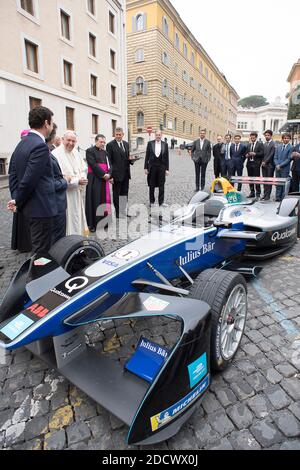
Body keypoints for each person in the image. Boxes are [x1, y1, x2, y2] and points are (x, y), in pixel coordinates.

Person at [8, 106, 57, 254]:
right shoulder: (40, 146)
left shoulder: (22, 143)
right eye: (52, 122)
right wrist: (18, 200)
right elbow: (29, 180)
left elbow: (13, 175)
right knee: (41, 252)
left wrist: (16, 198)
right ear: (46, 123)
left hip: (29, 209)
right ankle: (37, 277)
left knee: (37, 249)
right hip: (41, 209)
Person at [53, 131, 88, 235]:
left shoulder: (76, 153)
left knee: (78, 217)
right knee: (69, 220)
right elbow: (59, 176)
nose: (71, 143)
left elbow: (84, 168)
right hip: (65, 195)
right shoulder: (55, 154)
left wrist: (82, 177)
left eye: (73, 141)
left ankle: (78, 239)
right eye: (69, 140)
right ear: (63, 139)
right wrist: (77, 181)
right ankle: (68, 242)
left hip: (77, 193)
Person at [10, 130, 32, 253]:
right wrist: (15, 194)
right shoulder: (17, 152)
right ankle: (23, 244)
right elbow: (12, 175)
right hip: (20, 190)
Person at [46, 124, 67, 244]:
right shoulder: (45, 152)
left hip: (53, 204)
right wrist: (65, 180)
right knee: (55, 240)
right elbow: (48, 183)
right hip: (53, 204)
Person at [85, 134, 112, 232]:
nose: (103, 144)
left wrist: (109, 174)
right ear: (96, 141)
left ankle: (104, 222)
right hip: (94, 179)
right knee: (94, 201)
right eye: (101, 142)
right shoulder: (89, 151)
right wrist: (103, 174)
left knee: (104, 200)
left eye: (104, 142)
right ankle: (93, 224)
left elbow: (110, 165)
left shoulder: (105, 152)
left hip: (104, 180)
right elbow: (93, 164)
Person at [106, 127, 133, 218]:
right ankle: (117, 212)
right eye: (116, 134)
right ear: (115, 134)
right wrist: (110, 176)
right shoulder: (110, 145)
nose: (118, 136)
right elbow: (109, 161)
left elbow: (127, 157)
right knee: (117, 194)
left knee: (125, 193)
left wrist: (131, 160)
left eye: (119, 135)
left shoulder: (126, 144)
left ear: (123, 135)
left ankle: (123, 210)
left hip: (126, 173)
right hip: (116, 174)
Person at [144, 130, 169, 206]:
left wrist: (167, 169)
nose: (158, 136)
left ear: (161, 135)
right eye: (157, 135)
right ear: (155, 135)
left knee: (162, 185)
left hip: (161, 167)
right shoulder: (150, 143)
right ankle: (152, 201)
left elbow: (167, 157)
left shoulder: (165, 144)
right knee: (151, 185)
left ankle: (161, 202)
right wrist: (145, 168)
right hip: (152, 167)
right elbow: (147, 156)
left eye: (159, 135)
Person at [245, 132, 264, 199]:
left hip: (256, 164)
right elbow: (246, 153)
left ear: (256, 137)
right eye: (251, 138)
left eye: (253, 138)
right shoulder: (248, 145)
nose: (252, 139)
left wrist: (255, 154)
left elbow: (262, 153)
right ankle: (252, 192)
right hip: (249, 163)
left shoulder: (260, 144)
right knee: (250, 179)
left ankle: (258, 193)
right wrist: (247, 155)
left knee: (257, 179)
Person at [274, 133, 293, 201]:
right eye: (285, 138)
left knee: (284, 184)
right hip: (277, 168)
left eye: (287, 138)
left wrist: (280, 165)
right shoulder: (278, 146)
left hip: (285, 168)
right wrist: (276, 165)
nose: (286, 139)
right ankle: (277, 197)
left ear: (289, 139)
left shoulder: (291, 147)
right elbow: (275, 157)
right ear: (282, 139)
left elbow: (289, 159)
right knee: (278, 183)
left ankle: (283, 198)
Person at [261, 130, 276, 200]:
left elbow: (271, 154)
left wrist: (265, 162)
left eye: (268, 135)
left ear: (271, 136)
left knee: (269, 181)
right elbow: (262, 155)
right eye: (266, 135)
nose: (267, 136)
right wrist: (262, 162)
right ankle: (264, 194)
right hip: (263, 165)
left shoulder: (273, 144)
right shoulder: (264, 144)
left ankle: (268, 195)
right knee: (264, 180)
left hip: (270, 165)